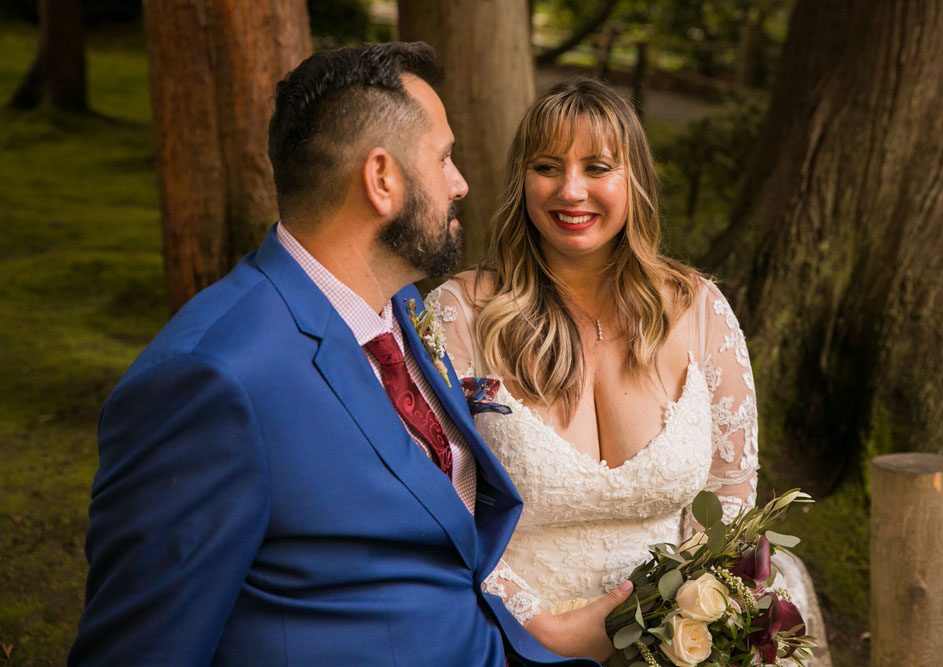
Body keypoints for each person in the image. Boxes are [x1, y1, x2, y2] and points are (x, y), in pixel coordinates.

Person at [68, 44, 627, 666]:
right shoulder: (213, 378)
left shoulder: (402, 309)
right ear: (381, 179)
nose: (461, 183)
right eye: (443, 158)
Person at [432, 78, 830, 664]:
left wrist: (691, 623)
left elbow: (727, 497)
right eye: (547, 166)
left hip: (678, 642)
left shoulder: (699, 310)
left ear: (634, 179)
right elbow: (440, 507)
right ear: (522, 180)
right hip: (509, 636)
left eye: (597, 167)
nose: (571, 191)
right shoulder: (460, 314)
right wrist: (546, 632)